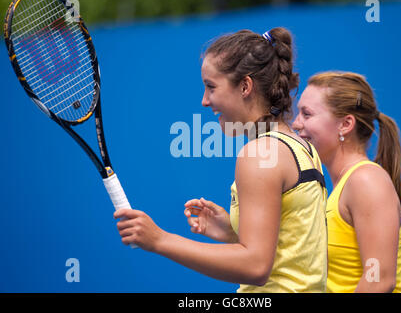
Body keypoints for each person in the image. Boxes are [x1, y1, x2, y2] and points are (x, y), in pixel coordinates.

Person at [114, 28, 328, 292]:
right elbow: (293, 250)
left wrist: (160, 240)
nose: (204, 101)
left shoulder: (259, 154)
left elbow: (256, 266)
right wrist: (232, 231)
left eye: (211, 87)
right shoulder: (302, 148)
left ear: (245, 86)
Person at [292, 71, 401, 293]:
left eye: (307, 114)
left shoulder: (366, 181)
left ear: (345, 124)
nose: (295, 123)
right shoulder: (345, 187)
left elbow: (378, 280)